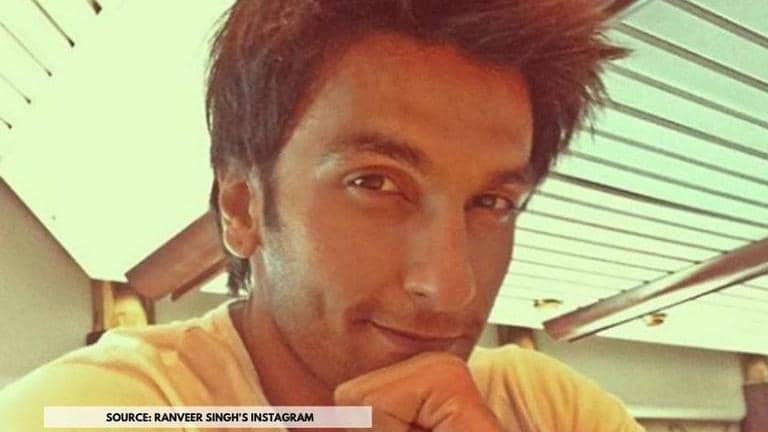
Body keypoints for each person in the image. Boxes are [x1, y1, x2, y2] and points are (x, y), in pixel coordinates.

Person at [0, 0, 644, 430]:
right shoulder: (106, 411)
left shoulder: (545, 408)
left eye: (492, 203)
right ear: (242, 207)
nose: (451, 286)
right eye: (375, 182)